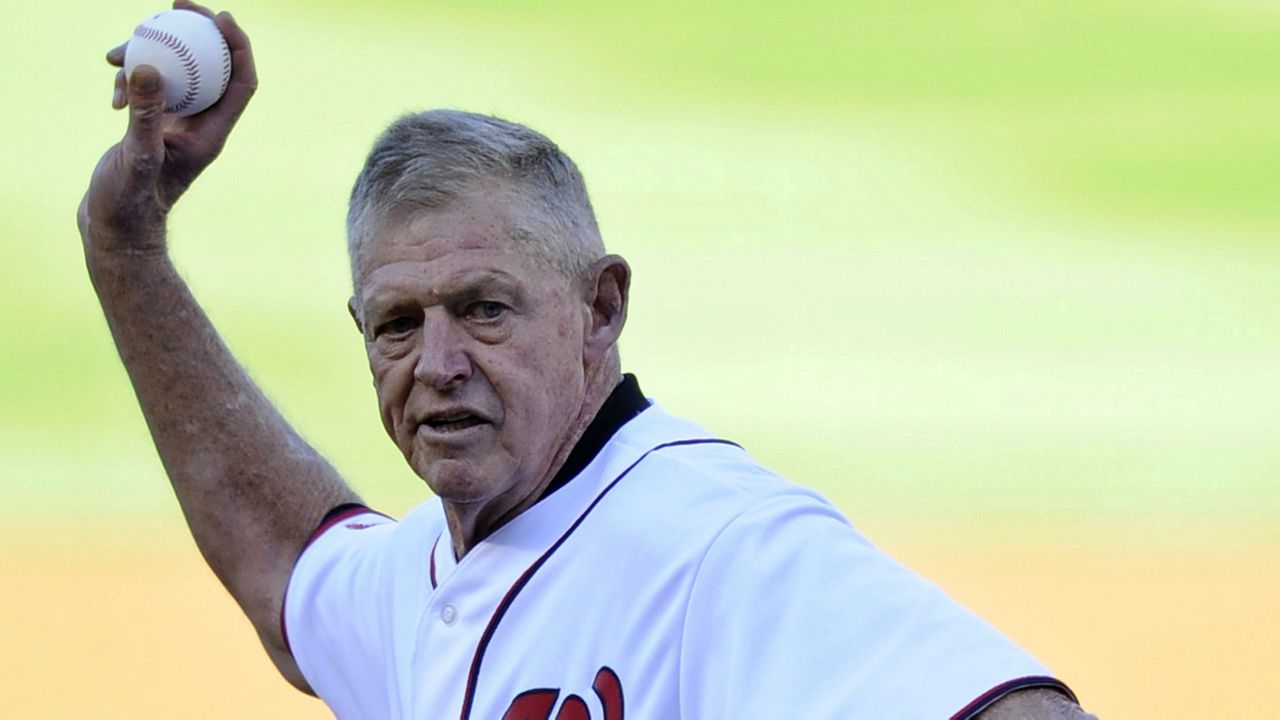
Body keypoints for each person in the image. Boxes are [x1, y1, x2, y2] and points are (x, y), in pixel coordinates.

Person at [80, 3, 1099, 718]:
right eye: (395, 324)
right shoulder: (424, 577)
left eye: (482, 310)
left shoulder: (721, 545)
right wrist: (124, 251)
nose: (435, 363)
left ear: (598, 307)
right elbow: (284, 563)